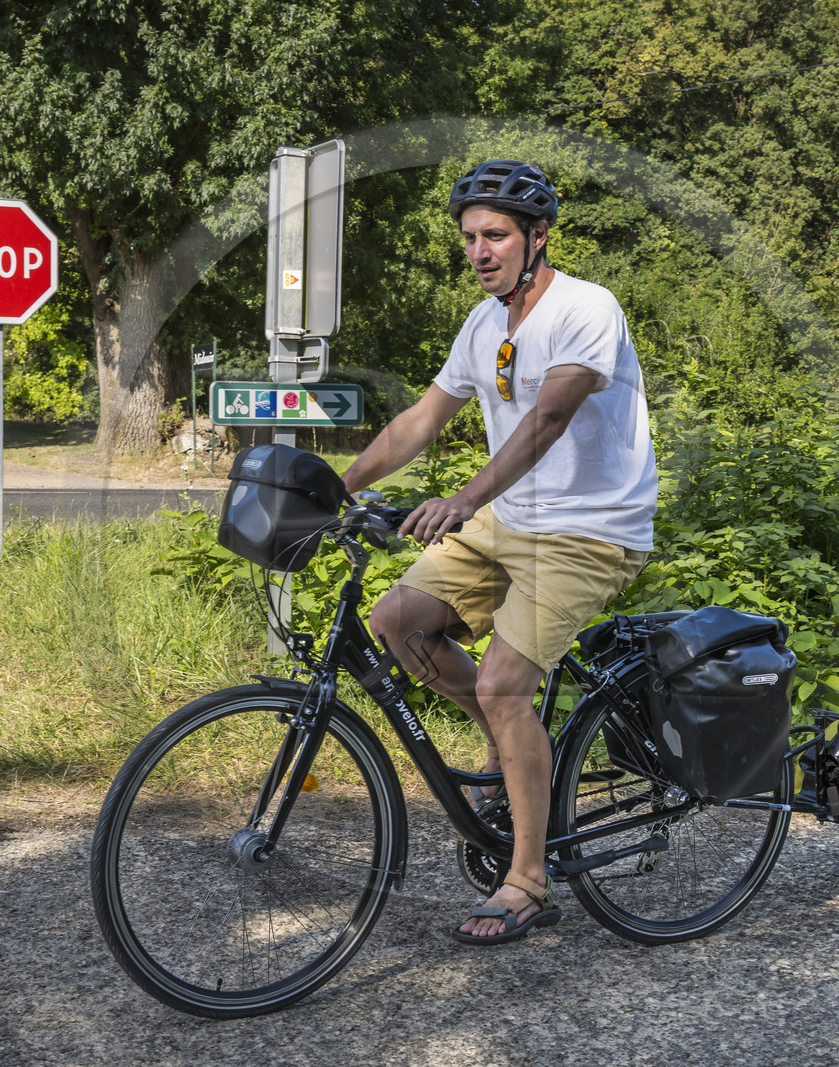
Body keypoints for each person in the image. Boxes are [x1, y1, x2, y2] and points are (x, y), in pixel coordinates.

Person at [341, 159, 658, 944]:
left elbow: (547, 420)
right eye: (470, 237)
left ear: (537, 236)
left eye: (496, 235)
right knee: (398, 621)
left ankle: (528, 878)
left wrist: (465, 498)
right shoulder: (484, 325)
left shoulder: (588, 308)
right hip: (509, 521)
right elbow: (419, 422)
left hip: (590, 528)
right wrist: (333, 488)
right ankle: (506, 745)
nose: (480, 250)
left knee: (507, 686)